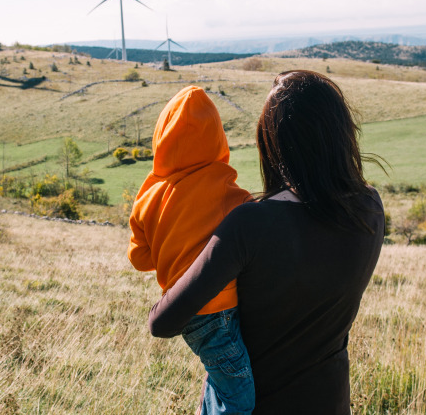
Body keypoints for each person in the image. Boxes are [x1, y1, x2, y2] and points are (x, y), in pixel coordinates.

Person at [148, 70, 385, 414]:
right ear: (341, 134)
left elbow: (163, 323)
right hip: (331, 402)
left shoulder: (249, 225)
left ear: (272, 145)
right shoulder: (370, 209)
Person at [128, 85, 255, 414]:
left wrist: (169, 246)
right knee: (240, 399)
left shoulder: (149, 195)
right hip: (218, 312)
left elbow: (139, 257)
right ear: (217, 137)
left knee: (219, 377)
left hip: (184, 310)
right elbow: (251, 221)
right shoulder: (225, 189)